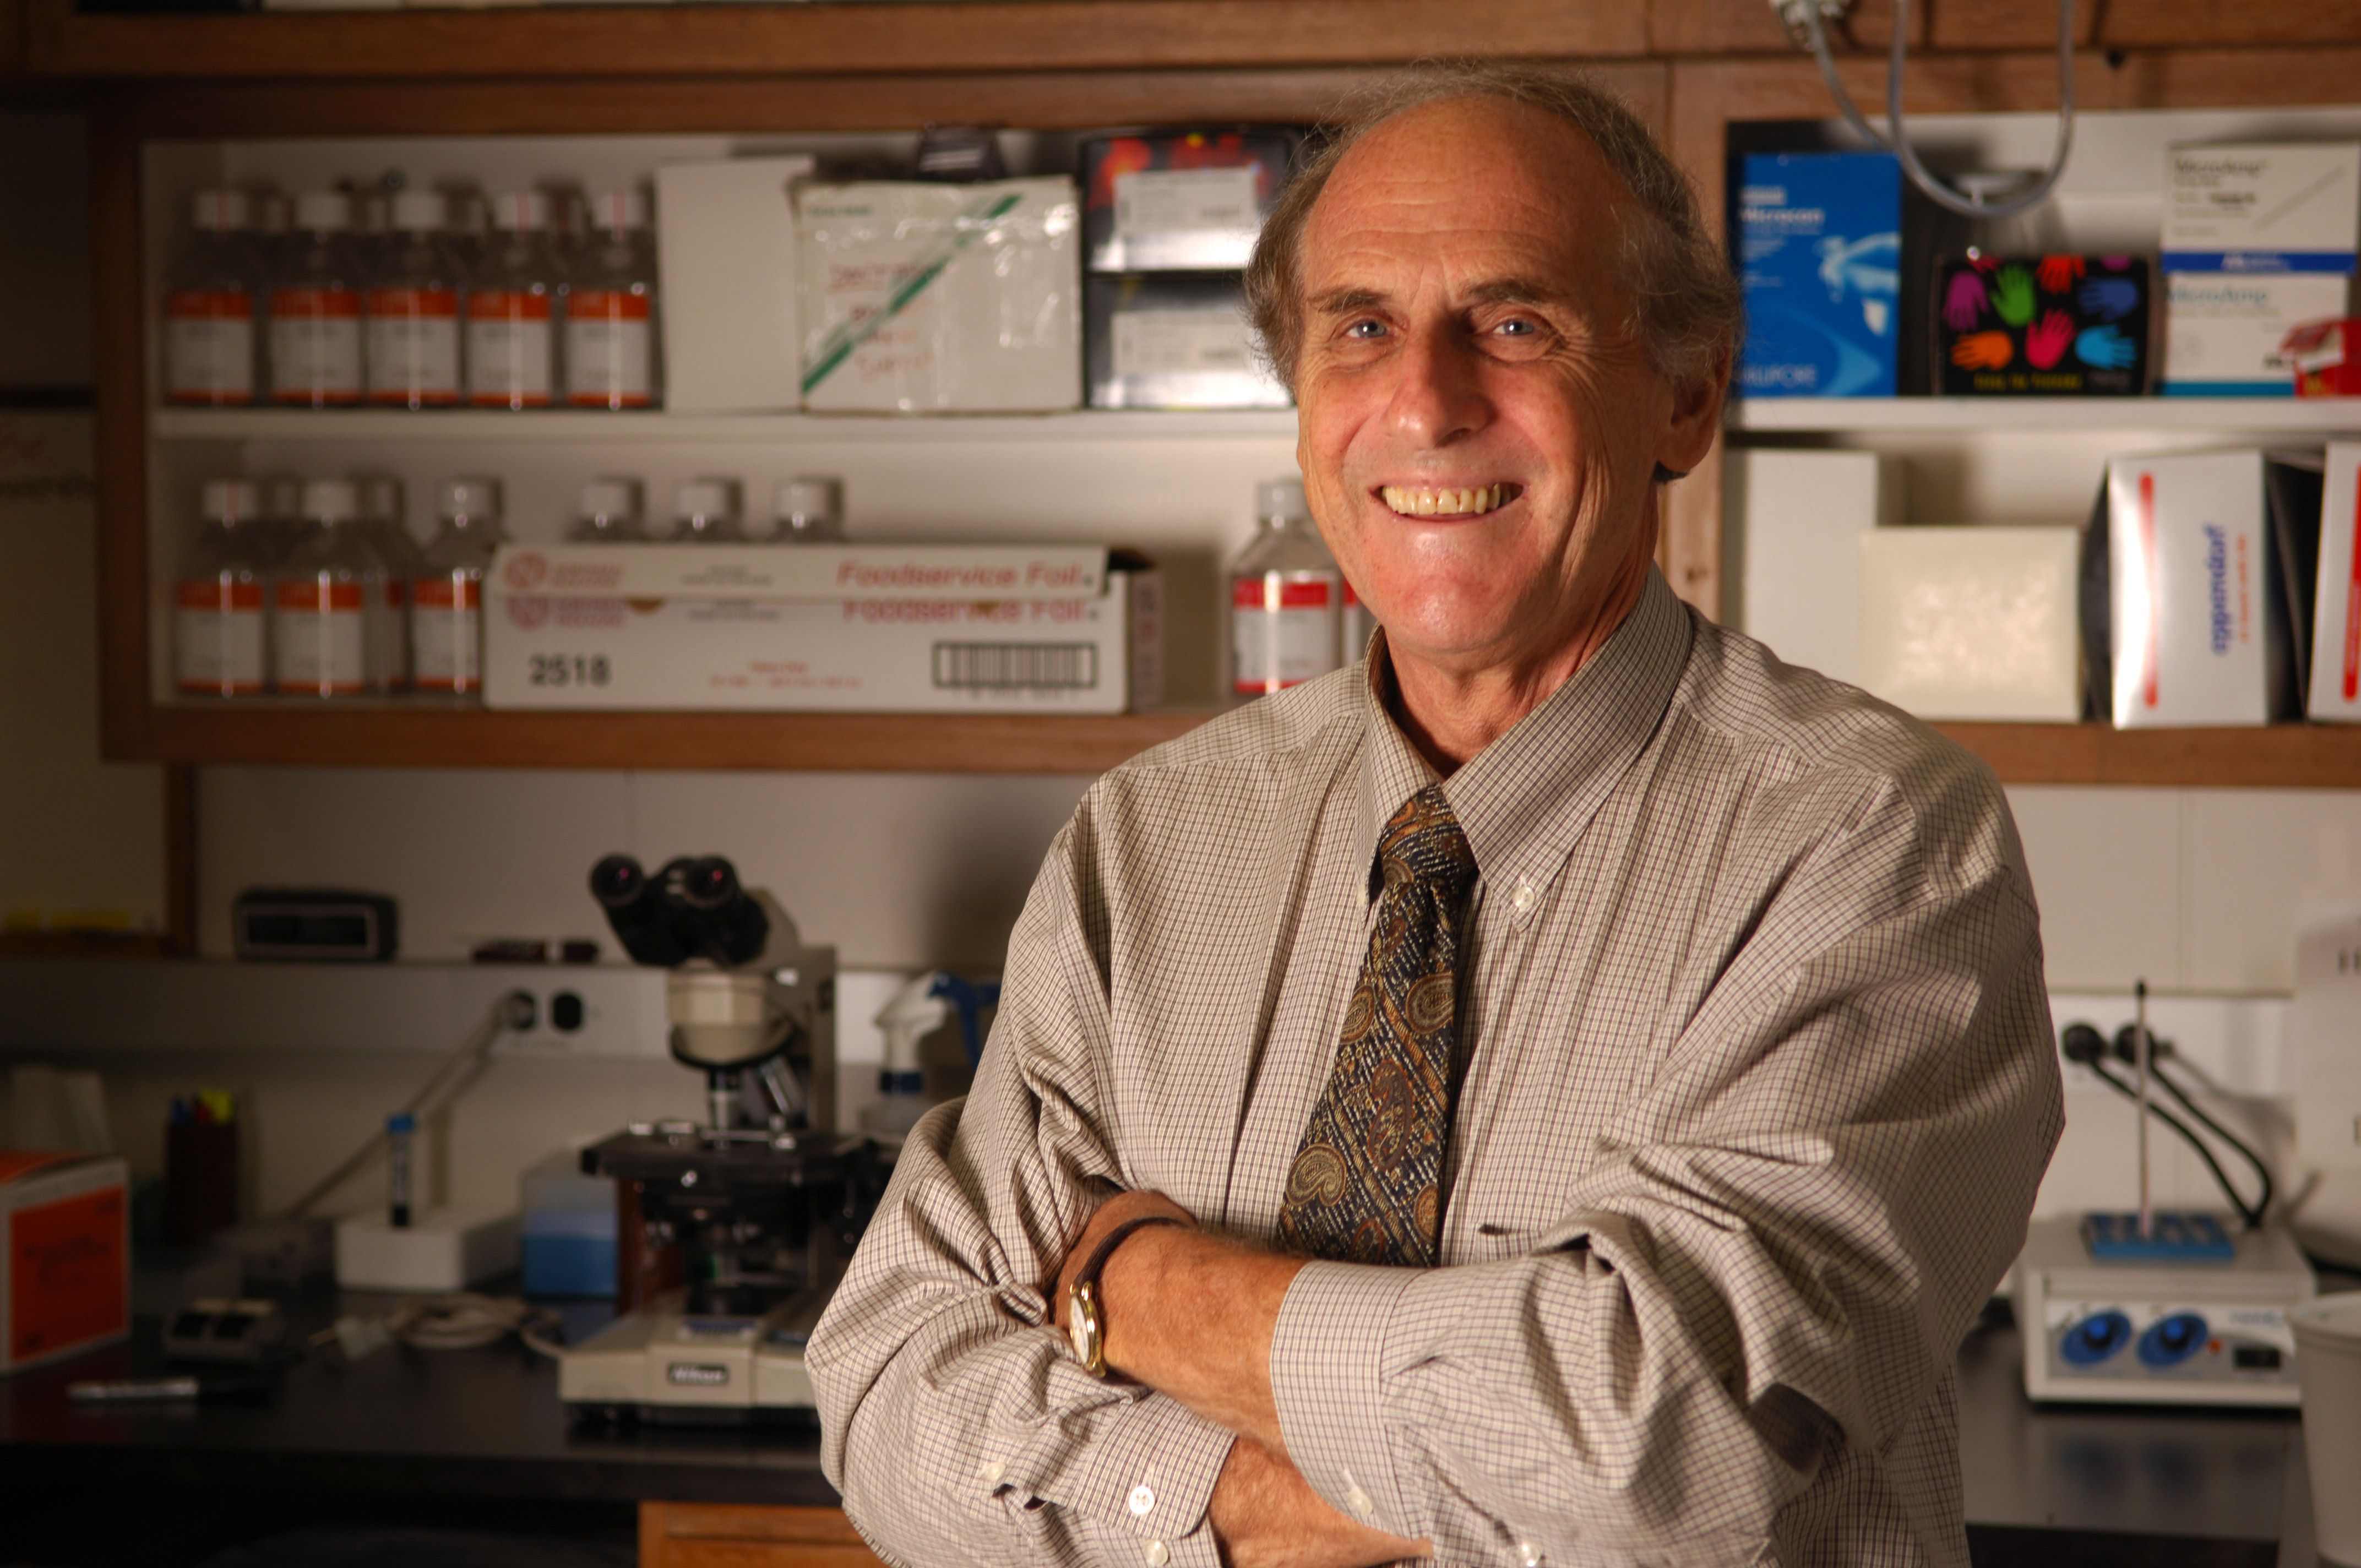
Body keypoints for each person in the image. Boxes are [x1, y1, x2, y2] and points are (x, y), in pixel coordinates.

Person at [809, 65, 2062, 1568]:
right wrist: (1271, 1503)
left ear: (1685, 394)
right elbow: (885, 1387)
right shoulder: (1147, 843)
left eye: (1516, 324)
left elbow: (1657, 1441)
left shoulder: (1876, 842)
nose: (1424, 402)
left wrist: (1132, 1289)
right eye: (1359, 330)